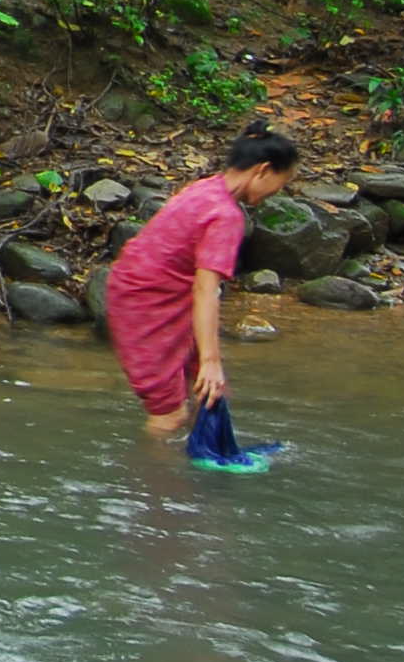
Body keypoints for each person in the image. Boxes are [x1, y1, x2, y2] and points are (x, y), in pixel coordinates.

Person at [104, 128, 298, 442]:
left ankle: (194, 466)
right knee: (170, 413)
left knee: (207, 395)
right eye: (282, 183)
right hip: (144, 303)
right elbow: (206, 290)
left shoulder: (207, 189)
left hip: (154, 290)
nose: (279, 191)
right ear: (263, 170)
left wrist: (208, 366)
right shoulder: (225, 216)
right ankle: (152, 484)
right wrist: (211, 361)